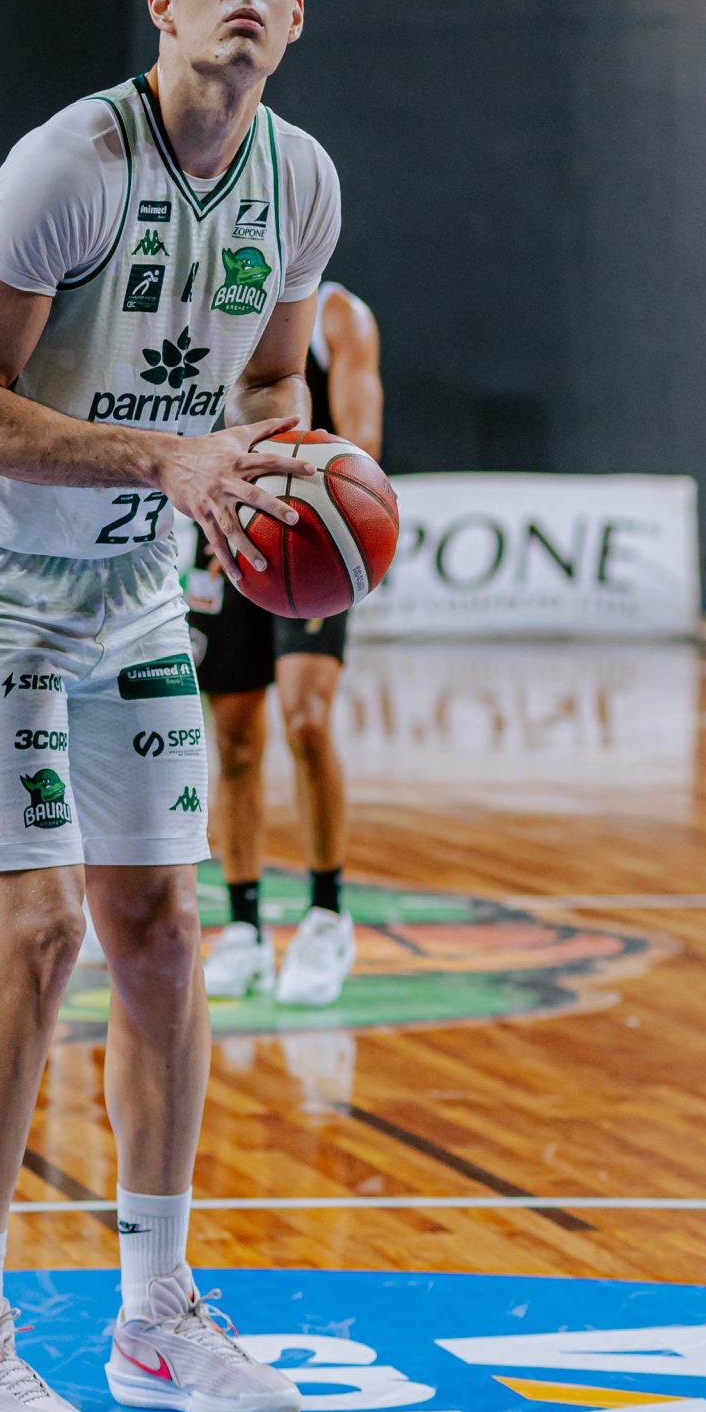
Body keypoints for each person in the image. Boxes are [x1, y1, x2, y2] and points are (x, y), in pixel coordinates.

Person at [0, 0, 339, 1412]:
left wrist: (279, 478)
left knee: (157, 932)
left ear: (294, 13)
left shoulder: (301, 182)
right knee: (32, 932)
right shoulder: (68, 164)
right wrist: (165, 459)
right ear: (163, 3)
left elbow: (271, 383)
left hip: (137, 590)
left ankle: (154, 1315)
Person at [191, 279, 382, 1008]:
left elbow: (360, 447)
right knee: (236, 740)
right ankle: (243, 927)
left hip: (311, 538)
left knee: (306, 720)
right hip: (222, 532)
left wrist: (291, 512)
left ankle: (327, 916)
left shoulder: (337, 315)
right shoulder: (204, 303)